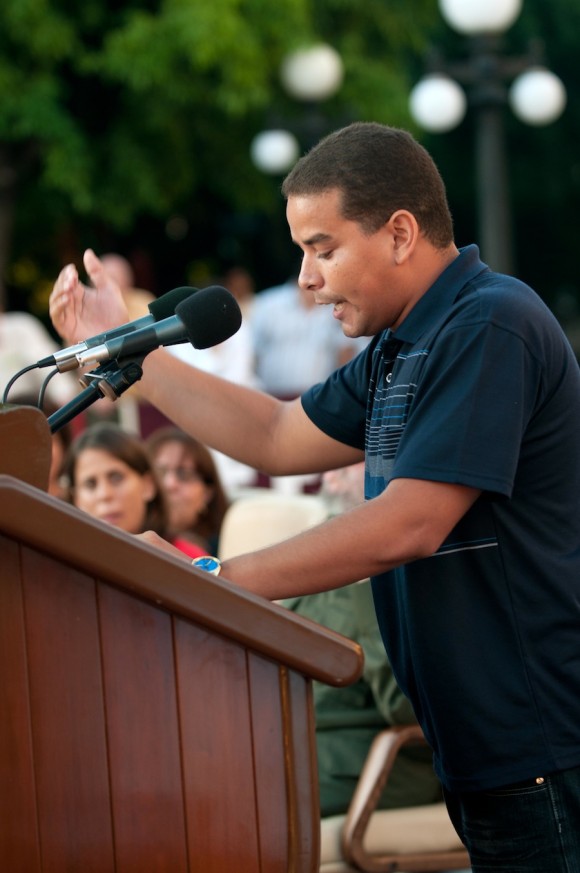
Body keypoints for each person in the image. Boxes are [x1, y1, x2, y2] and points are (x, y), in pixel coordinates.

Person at [49, 121, 580, 872]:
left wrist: (210, 580)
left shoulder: (490, 321)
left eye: (323, 248)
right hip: (482, 744)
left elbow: (411, 521)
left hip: (540, 740)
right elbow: (275, 432)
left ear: (400, 233)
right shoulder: (400, 345)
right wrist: (129, 353)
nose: (306, 278)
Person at [284, 463, 442, 816]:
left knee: (225, 800)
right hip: (284, 744)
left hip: (369, 762)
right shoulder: (308, 556)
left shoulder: (418, 560)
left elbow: (410, 707)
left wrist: (366, 587)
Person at [61, 422, 208, 559]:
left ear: (148, 485)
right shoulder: (63, 566)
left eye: (116, 478)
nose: (104, 494)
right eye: (90, 484)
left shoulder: (187, 558)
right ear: (76, 498)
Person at [146, 426, 229, 555]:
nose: (169, 484)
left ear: (207, 494)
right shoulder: (126, 539)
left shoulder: (229, 549)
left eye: (184, 475)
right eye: (159, 473)